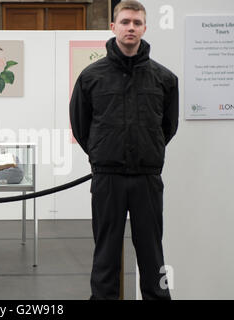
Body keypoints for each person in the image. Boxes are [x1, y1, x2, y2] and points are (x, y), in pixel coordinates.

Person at [69, 0, 178, 300]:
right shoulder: (91, 77)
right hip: (108, 179)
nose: (131, 27)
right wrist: (103, 153)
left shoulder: (165, 79)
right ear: (113, 26)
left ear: (144, 27)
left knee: (152, 254)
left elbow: (168, 127)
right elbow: (81, 126)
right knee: (105, 254)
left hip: (147, 179)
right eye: (126, 21)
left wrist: (146, 150)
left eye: (137, 23)